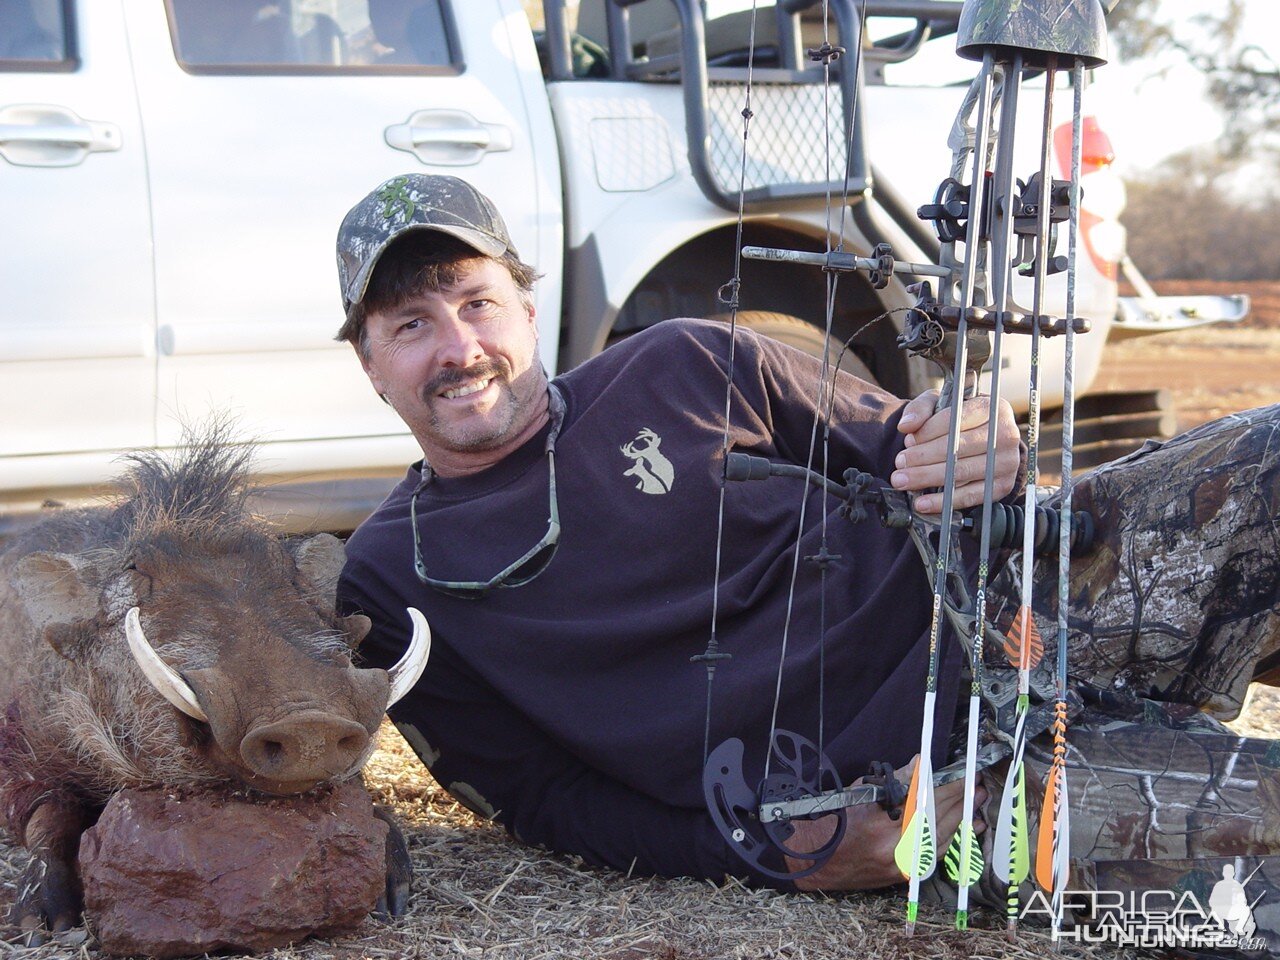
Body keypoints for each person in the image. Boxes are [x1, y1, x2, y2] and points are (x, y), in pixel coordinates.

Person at [334, 174, 1280, 909]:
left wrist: (978, 437)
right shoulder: (383, 579)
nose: (458, 347)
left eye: (477, 302)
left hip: (1025, 588)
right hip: (928, 785)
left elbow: (911, 442)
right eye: (411, 325)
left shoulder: (687, 360)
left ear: (527, 310)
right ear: (370, 366)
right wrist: (771, 853)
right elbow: (541, 800)